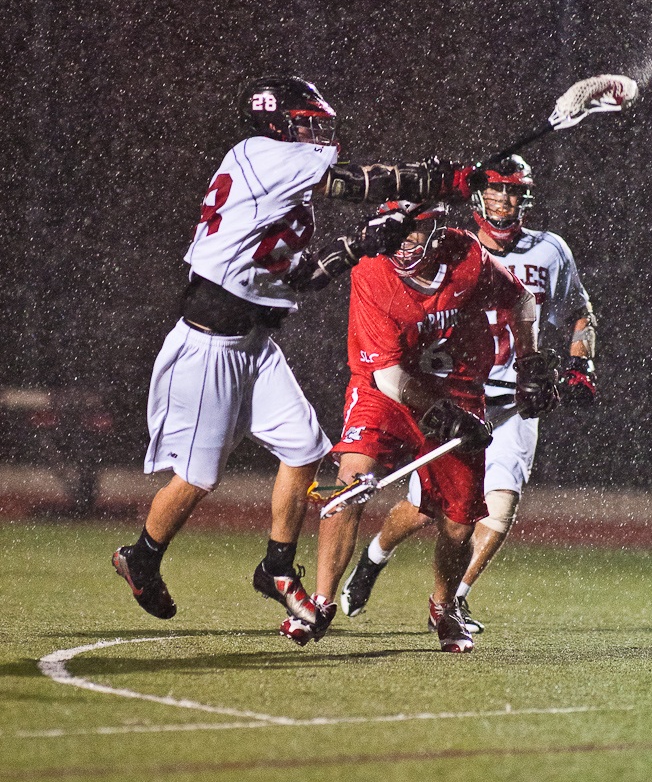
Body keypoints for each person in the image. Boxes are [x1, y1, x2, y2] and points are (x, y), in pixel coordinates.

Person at [111, 74, 484, 631]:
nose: (315, 133)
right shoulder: (263, 153)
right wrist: (437, 179)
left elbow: (305, 276)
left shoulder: (281, 188)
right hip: (210, 341)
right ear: (277, 123)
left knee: (305, 445)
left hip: (254, 341)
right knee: (198, 477)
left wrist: (362, 244)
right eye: (306, 123)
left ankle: (277, 569)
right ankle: (141, 555)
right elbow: (354, 183)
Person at [279, 200, 559, 652]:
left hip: (457, 386)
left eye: (412, 236)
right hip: (384, 389)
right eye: (396, 236)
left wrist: (529, 358)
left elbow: (521, 298)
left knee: (459, 522)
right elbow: (389, 375)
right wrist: (445, 417)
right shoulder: (371, 269)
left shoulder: (465, 255)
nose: (403, 247)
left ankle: (444, 606)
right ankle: (321, 602)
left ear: (435, 233)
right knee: (349, 485)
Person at [340, 154, 596, 635]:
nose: (505, 199)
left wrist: (578, 362)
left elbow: (579, 311)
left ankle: (452, 599)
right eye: (497, 189)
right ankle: (374, 559)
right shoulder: (452, 247)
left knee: (499, 503)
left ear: (527, 197)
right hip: (457, 390)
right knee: (424, 508)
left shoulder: (549, 250)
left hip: (515, 393)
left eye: (514, 191)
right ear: (478, 194)